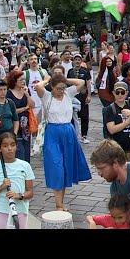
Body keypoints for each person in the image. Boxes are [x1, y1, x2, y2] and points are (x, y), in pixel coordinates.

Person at [32, 73, 91, 211]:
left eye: (63, 88)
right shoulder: (47, 96)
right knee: (56, 166)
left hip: (68, 132)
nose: (61, 91)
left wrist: (65, 80)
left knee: (65, 167)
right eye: (58, 88)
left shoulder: (68, 94)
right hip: (53, 132)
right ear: (52, 87)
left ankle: (60, 203)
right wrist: (48, 79)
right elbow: (38, 86)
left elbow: (81, 82)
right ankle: (59, 204)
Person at [0, 132, 35, 229]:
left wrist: (19, 196)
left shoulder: (25, 166)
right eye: (5, 146)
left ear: (16, 146)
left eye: (12, 145)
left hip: (20, 209)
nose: (9, 148)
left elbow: (30, 192)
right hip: (1, 210)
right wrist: (1, 187)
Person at [103, 81, 130, 162]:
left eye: (122, 92)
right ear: (113, 93)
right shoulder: (109, 109)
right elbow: (111, 130)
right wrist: (128, 122)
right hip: (117, 149)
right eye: (117, 92)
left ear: (126, 93)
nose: (120, 95)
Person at [6, 70, 35, 162]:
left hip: (25, 125)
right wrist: (24, 108)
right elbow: (10, 111)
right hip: (14, 124)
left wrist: (27, 94)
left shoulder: (26, 91)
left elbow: (32, 105)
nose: (23, 81)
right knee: (19, 150)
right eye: (21, 80)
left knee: (26, 150)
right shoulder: (9, 93)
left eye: (24, 80)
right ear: (14, 81)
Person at [66, 53, 92, 144]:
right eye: (75, 59)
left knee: (84, 116)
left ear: (81, 61)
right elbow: (68, 84)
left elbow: (88, 83)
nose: (77, 61)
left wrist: (89, 95)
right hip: (73, 96)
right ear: (73, 61)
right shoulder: (70, 72)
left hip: (83, 95)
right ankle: (74, 135)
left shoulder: (85, 71)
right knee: (73, 116)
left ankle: (84, 135)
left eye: (79, 60)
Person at [24, 53, 50, 120]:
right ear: (28, 62)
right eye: (31, 59)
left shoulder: (43, 72)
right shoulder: (25, 73)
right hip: (32, 103)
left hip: (43, 102)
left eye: (35, 59)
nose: (34, 61)